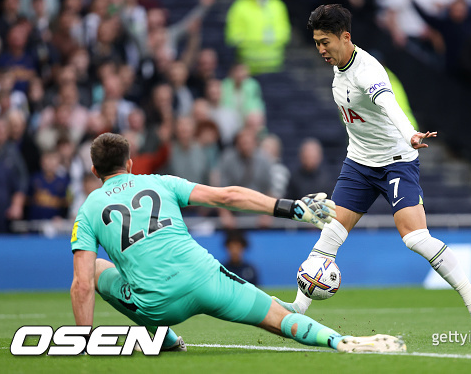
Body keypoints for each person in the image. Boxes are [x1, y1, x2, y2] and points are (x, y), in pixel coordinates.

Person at [274, 4, 471, 342]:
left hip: (396, 160)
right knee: (330, 233)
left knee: (415, 238)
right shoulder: (339, 67)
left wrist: (411, 135)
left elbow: (390, 104)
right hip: (359, 164)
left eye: (325, 42)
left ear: (345, 38)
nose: (320, 49)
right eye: (316, 43)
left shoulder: (368, 70)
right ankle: (299, 308)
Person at [70, 132, 403, 354]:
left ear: (94, 169)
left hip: (158, 304)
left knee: (100, 270)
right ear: (129, 163)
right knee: (277, 318)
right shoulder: (160, 182)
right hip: (204, 277)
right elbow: (227, 196)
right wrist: (291, 208)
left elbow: (82, 285)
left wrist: (83, 342)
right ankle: (339, 340)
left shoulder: (88, 211)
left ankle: (164, 337)